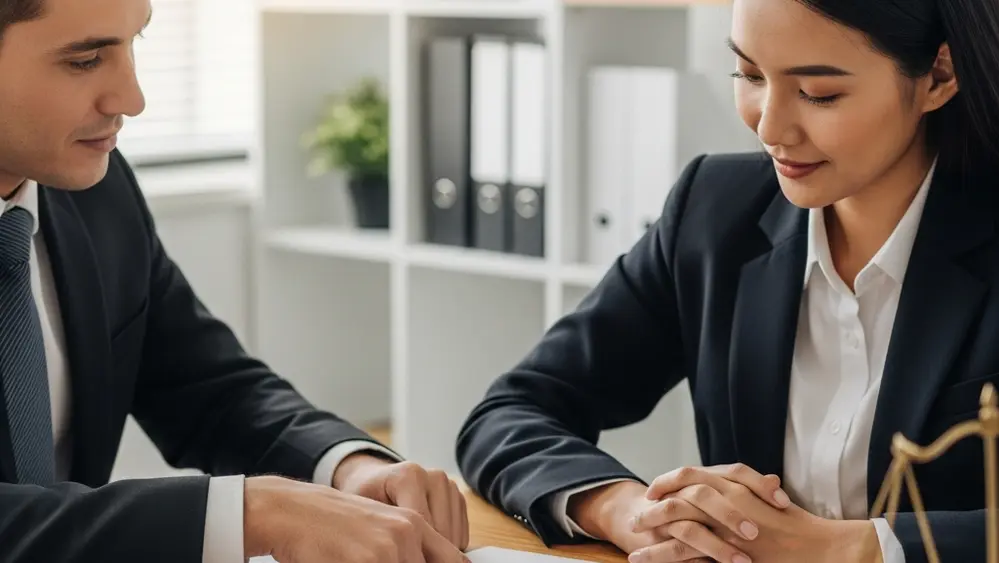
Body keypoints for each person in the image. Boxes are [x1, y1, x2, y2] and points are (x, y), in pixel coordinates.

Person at [456, 0, 999, 561]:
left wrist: (855, 548)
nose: (769, 127)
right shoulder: (713, 213)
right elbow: (509, 415)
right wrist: (636, 513)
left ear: (938, 76)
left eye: (818, 92)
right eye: (750, 75)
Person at [0, 0, 470, 562]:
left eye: (135, 44)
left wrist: (346, 466)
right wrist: (255, 512)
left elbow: (207, 387)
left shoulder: (95, 190)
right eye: (85, 60)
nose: (133, 99)